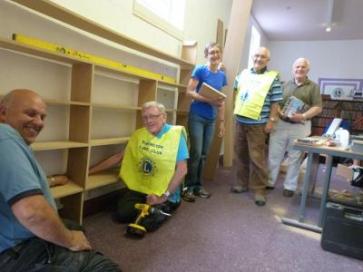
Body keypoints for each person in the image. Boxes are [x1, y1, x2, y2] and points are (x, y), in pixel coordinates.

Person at [0, 89, 121, 271]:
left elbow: (14, 182)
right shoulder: (5, 138)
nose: (39, 122)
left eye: (42, 117)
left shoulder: (11, 141)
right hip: (19, 250)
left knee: (74, 226)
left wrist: (53, 180)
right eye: (30, 114)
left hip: (14, 236)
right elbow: (33, 213)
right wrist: (71, 240)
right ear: (3, 112)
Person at [89, 101, 188, 233]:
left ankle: (161, 207)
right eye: (145, 117)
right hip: (143, 187)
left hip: (165, 192)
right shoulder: (139, 135)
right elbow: (119, 157)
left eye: (153, 116)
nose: (149, 121)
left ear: (164, 117)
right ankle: (148, 207)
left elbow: (182, 170)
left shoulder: (175, 136)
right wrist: (89, 171)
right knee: (121, 215)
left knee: (148, 223)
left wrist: (163, 196)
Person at [231, 47, 283, 206]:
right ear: (252, 57)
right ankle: (241, 183)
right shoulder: (242, 74)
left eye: (263, 57)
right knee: (240, 155)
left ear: (268, 60)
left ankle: (259, 190)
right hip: (240, 122)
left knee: (257, 158)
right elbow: (235, 93)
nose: (259, 59)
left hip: (258, 125)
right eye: (256, 56)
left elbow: (276, 102)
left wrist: (271, 121)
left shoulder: (273, 78)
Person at [268, 58, 322, 197]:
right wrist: (279, 112)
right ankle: (269, 181)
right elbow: (276, 103)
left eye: (303, 67)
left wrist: (303, 116)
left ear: (307, 70)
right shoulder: (284, 85)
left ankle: (290, 186)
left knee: (295, 157)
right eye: (297, 67)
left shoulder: (313, 87)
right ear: (293, 69)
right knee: (274, 155)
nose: (300, 69)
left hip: (300, 126)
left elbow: (318, 107)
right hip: (280, 124)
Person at [182, 42, 227, 202]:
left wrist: (222, 122)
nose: (215, 55)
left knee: (203, 155)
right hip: (197, 116)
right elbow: (189, 92)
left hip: (211, 119)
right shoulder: (200, 70)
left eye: (217, 52)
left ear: (220, 55)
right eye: (211, 52)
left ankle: (198, 186)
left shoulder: (222, 75)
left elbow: (221, 100)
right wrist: (209, 100)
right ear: (206, 55)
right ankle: (187, 187)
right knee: (195, 152)